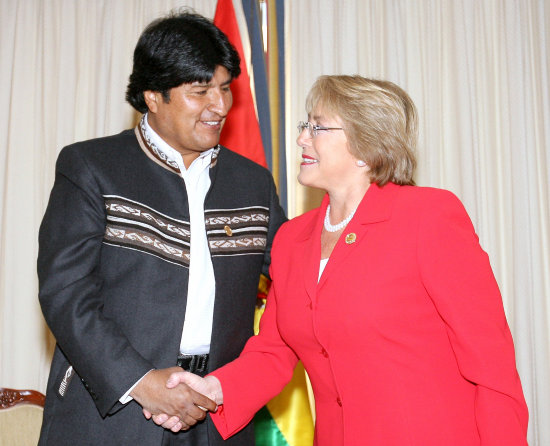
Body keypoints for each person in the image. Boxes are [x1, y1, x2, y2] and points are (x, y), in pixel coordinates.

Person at [154, 75, 529, 445]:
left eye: (318, 128)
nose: (302, 138)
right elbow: (274, 350)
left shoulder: (427, 216)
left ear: (366, 147)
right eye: (306, 125)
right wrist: (211, 389)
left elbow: (491, 365)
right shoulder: (292, 238)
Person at [37, 10, 286, 446]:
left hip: (216, 417)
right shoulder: (92, 168)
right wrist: (141, 381)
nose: (220, 106)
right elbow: (66, 293)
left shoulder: (252, 183)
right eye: (200, 91)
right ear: (153, 96)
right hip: (111, 416)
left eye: (225, 89)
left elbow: (298, 275)